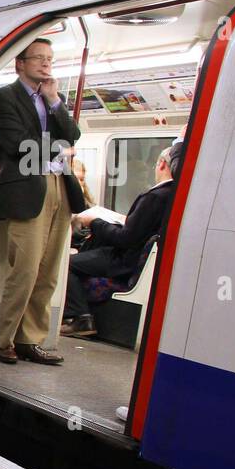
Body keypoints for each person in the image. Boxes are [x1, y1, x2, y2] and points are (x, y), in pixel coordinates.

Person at [0, 38, 86, 365]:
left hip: (59, 186)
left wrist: (55, 100)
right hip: (27, 187)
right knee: (25, 270)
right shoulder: (4, 98)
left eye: (49, 59)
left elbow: (74, 135)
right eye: (38, 59)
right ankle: (4, 340)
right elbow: (16, 144)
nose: (45, 64)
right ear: (21, 64)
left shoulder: (53, 100)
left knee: (48, 272)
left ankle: (30, 339)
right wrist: (59, 148)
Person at [61, 142, 180, 338]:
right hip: (133, 255)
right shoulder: (173, 196)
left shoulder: (155, 196)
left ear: (161, 165)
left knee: (67, 264)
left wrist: (95, 221)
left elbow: (125, 239)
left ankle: (81, 318)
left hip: (123, 260)